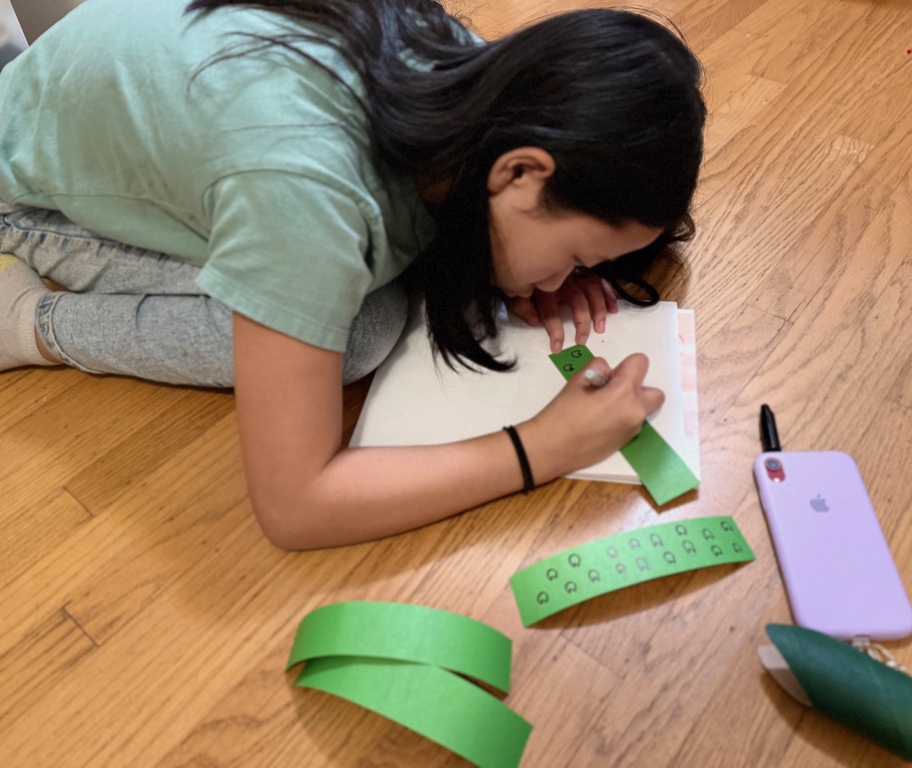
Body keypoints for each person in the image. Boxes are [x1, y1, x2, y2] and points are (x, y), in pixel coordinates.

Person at [0, 0, 706, 549]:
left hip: (77, 107)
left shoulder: (473, 83)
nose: (566, 285)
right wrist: (540, 448)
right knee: (364, 329)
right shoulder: (306, 186)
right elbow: (296, 504)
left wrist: (535, 268)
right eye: (580, 259)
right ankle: (29, 324)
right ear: (520, 170)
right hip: (25, 199)